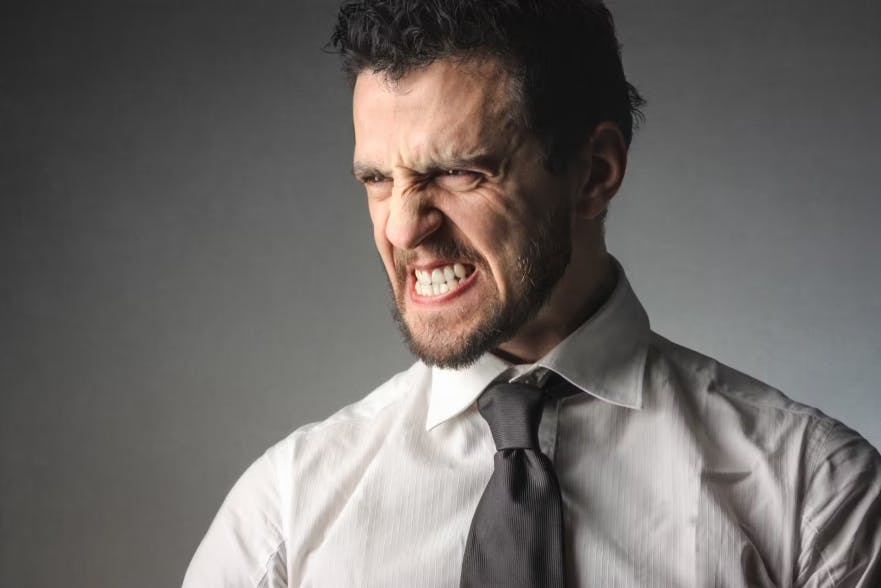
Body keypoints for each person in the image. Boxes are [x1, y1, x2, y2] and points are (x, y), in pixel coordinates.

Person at [183, 1, 881, 586]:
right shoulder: (285, 513)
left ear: (594, 173)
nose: (402, 226)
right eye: (376, 179)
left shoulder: (813, 498)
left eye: (457, 172)